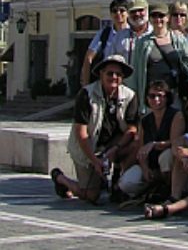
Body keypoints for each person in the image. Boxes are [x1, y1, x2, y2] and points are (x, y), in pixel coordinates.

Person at [52, 55, 138, 204]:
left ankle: (117, 181)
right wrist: (94, 160)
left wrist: (116, 148)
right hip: (87, 147)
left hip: (113, 144)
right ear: (101, 74)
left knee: (136, 142)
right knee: (90, 196)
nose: (114, 77)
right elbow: (81, 132)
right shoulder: (86, 94)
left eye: (118, 74)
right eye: (109, 73)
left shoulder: (130, 96)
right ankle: (60, 178)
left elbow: (132, 128)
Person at [118, 81, 186, 200]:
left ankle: (170, 190)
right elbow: (141, 148)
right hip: (151, 164)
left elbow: (176, 142)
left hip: (170, 160)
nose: (156, 99)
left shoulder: (176, 115)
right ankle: (150, 188)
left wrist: (155, 145)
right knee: (126, 183)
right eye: (152, 96)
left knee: (166, 157)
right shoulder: (145, 120)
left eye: (160, 95)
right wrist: (144, 168)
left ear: (167, 97)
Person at [126, 2, 188, 113]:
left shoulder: (179, 40)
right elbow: (135, 73)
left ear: (167, 18)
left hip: (174, 95)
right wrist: (135, 101)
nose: (158, 19)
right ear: (150, 19)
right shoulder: (142, 43)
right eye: (154, 16)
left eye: (161, 16)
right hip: (151, 98)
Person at [81, 0, 129, 85]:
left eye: (122, 10)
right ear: (111, 14)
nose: (118, 13)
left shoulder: (132, 33)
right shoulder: (104, 33)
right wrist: (86, 85)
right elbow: (88, 58)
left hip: (128, 80)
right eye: (114, 11)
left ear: (128, 13)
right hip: (108, 81)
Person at [109, 0, 152, 70]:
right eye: (133, 11)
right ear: (128, 14)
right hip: (127, 80)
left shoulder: (155, 34)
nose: (137, 14)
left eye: (140, 10)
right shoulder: (119, 37)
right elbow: (111, 63)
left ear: (147, 11)